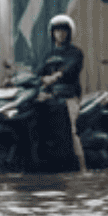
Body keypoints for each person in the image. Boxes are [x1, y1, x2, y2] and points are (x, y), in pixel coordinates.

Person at [39, 14, 88, 173]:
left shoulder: (75, 53)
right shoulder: (48, 55)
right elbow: (38, 72)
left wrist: (55, 76)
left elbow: (70, 69)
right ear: (52, 33)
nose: (60, 34)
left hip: (69, 97)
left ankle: (82, 168)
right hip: (51, 97)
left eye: (63, 31)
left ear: (69, 33)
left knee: (71, 130)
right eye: (57, 31)